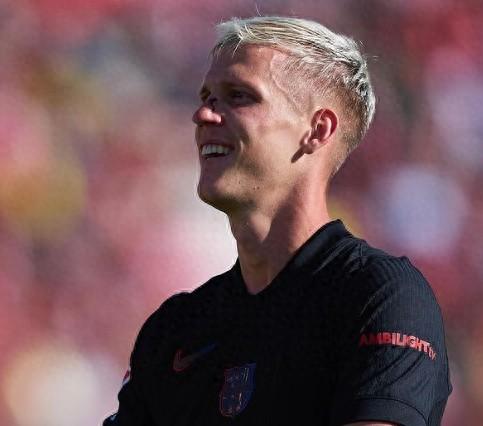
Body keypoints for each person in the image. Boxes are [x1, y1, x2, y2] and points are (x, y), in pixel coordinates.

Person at [104, 16, 451, 425]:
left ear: (317, 130)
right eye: (206, 97)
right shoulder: (173, 330)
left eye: (238, 96)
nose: (202, 115)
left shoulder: (378, 297)